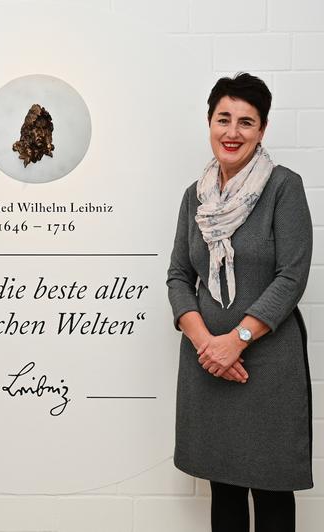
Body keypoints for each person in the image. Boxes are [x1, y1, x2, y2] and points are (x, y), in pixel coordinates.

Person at [167, 72, 313, 532]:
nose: (233, 132)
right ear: (209, 123)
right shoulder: (195, 197)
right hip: (207, 360)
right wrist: (207, 344)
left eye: (246, 122)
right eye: (223, 119)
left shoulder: (284, 187)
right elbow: (177, 276)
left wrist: (238, 340)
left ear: (262, 130)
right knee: (224, 488)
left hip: (267, 362)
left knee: (272, 491)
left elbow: (291, 276)